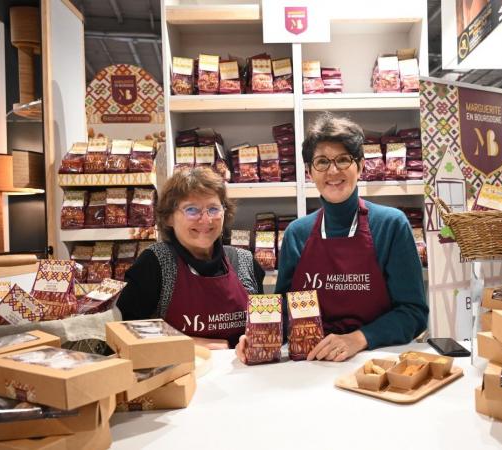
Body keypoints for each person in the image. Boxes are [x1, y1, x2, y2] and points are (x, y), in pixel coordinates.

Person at [237, 113, 428, 362]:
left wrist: (359, 338)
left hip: (375, 361)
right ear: (309, 172)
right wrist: (260, 334)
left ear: (359, 166)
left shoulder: (391, 225)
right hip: (311, 362)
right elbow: (284, 313)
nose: (333, 170)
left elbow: (413, 313)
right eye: (322, 162)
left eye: (343, 160)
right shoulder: (297, 233)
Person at [117, 167, 264, 349]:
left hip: (239, 374)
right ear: (169, 217)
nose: (205, 220)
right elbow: (127, 332)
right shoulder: (154, 264)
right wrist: (201, 345)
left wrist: (255, 340)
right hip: (178, 374)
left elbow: (263, 327)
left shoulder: (245, 262)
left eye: (213, 209)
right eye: (192, 210)